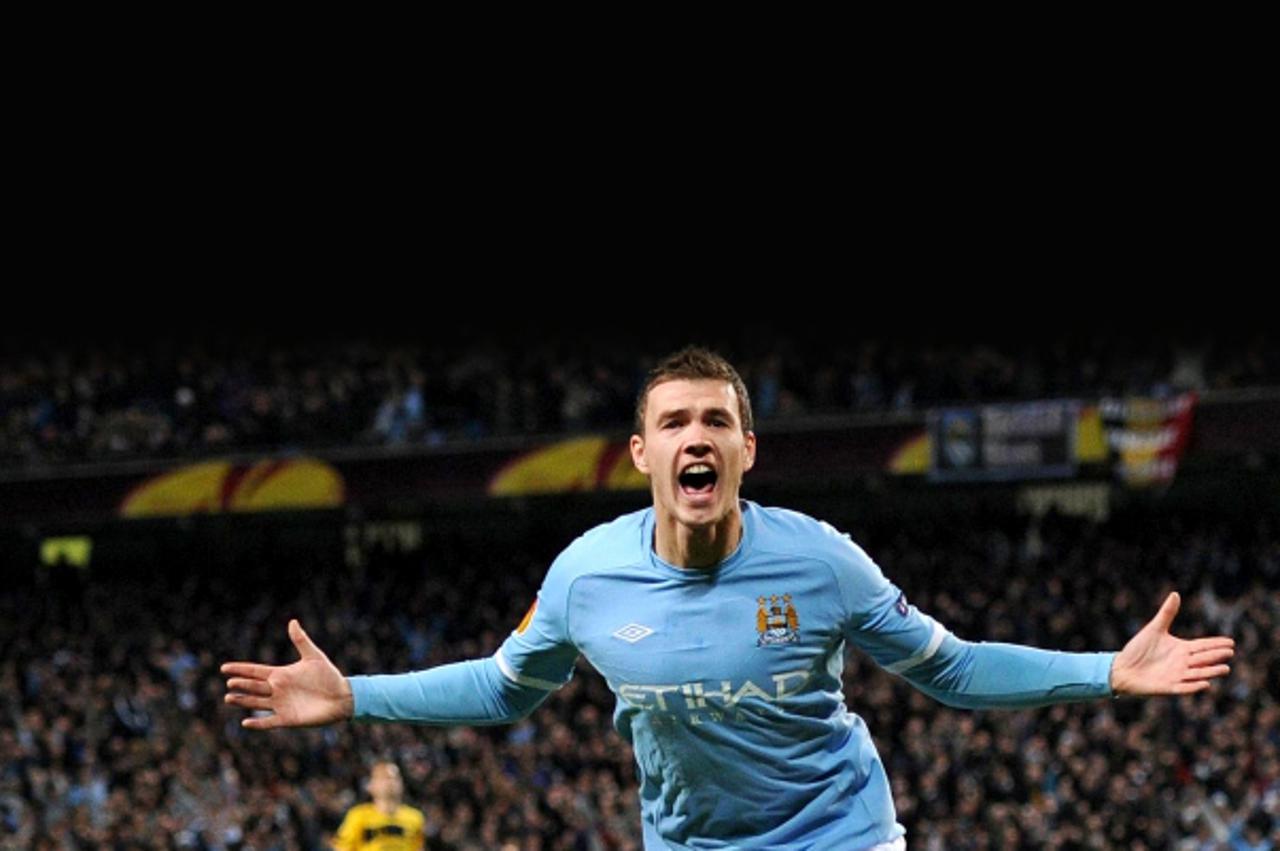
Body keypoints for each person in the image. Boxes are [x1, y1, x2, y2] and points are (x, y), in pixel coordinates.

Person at [222, 346, 1237, 850]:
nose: (694, 435)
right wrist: (354, 693)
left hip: (839, 832)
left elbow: (956, 668)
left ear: (746, 449)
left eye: (715, 418)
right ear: (641, 452)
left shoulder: (823, 561)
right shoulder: (583, 576)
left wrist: (1105, 669)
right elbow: (502, 688)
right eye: (672, 420)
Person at [331, 761, 425, 851]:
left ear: (402, 784)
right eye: (383, 778)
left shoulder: (415, 817)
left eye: (394, 777)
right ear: (371, 785)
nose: (389, 782)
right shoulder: (357, 816)